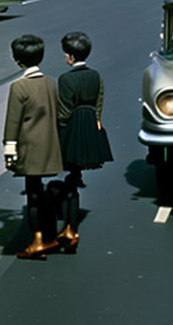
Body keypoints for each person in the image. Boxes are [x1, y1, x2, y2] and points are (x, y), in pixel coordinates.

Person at [3, 34, 63, 259]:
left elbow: (13, 121)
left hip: (29, 148)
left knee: (33, 194)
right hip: (50, 145)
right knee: (40, 192)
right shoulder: (51, 83)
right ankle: (52, 234)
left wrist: (10, 148)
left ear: (18, 60)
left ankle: (38, 239)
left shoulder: (18, 87)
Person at [56, 31, 113, 251]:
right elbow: (99, 101)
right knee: (76, 176)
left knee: (70, 176)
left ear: (70, 56)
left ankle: (70, 227)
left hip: (72, 129)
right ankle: (71, 226)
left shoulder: (66, 79)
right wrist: (96, 121)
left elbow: (63, 111)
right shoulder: (96, 75)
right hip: (90, 125)